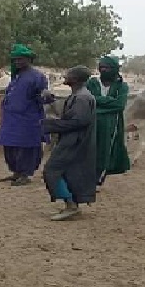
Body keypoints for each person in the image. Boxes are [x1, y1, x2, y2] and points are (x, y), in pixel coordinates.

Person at [42, 66, 97, 221]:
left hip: (74, 141)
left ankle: (71, 206)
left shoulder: (82, 98)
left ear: (76, 79)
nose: (65, 76)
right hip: (73, 140)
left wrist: (48, 125)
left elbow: (79, 122)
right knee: (68, 173)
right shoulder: (79, 96)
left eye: (69, 75)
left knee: (52, 170)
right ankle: (71, 204)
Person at [0, 44, 49, 186]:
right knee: (10, 147)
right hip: (11, 119)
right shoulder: (16, 76)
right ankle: (16, 172)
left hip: (28, 118)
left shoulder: (37, 77)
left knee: (27, 148)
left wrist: (46, 97)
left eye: (21, 59)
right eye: (15, 60)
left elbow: (42, 96)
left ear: (29, 59)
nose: (18, 62)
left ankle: (26, 174)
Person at [86, 55, 130, 188]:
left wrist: (97, 103)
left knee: (107, 150)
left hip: (112, 124)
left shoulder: (122, 86)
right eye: (102, 67)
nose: (104, 70)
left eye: (108, 68)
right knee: (89, 149)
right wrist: (109, 101)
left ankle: (98, 179)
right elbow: (88, 100)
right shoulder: (92, 83)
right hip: (91, 122)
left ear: (115, 69)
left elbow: (119, 105)